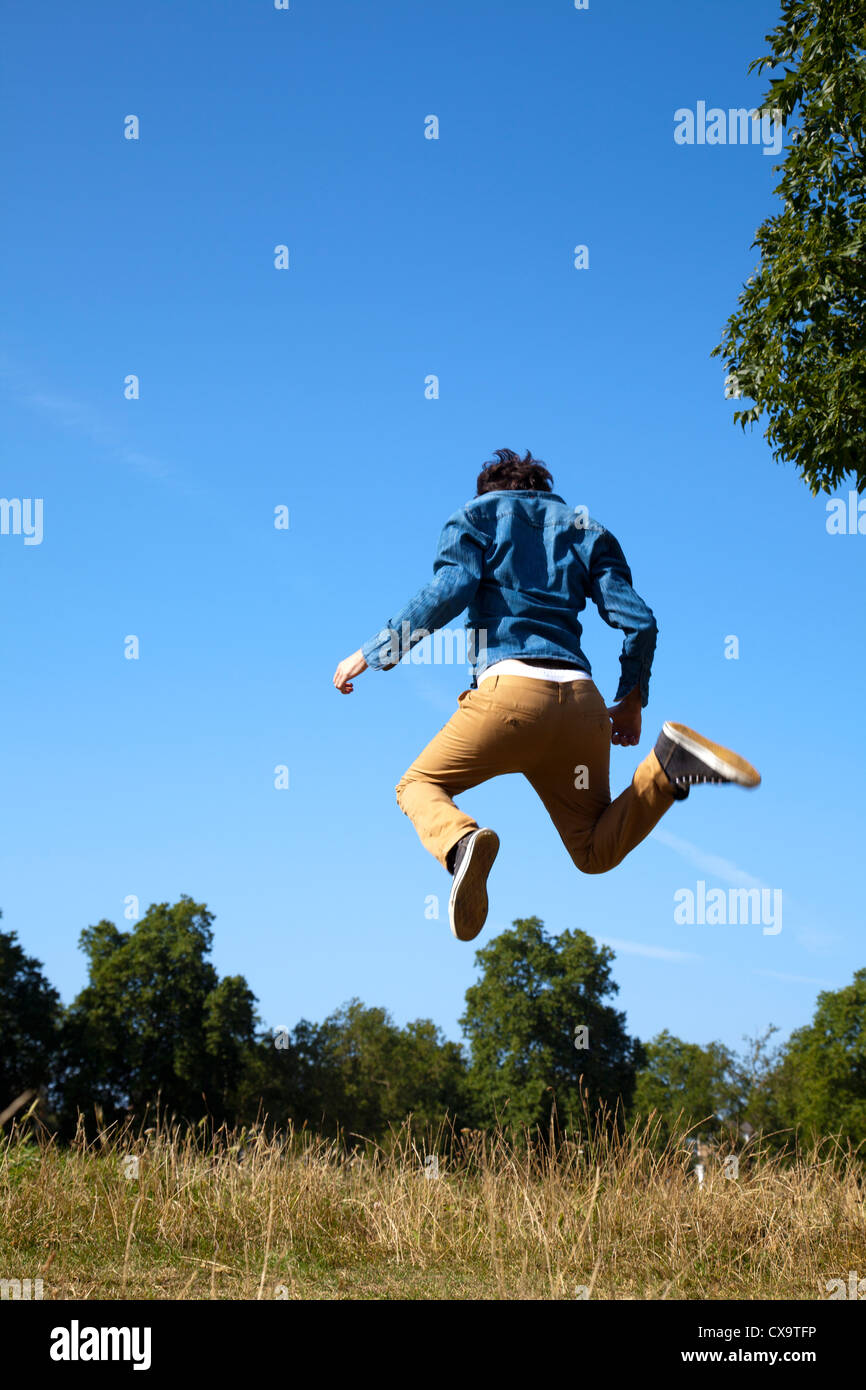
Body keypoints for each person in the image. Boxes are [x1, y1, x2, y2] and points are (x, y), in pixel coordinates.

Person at [333, 448, 760, 943]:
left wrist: (373, 652)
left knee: (416, 786)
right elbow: (640, 622)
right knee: (594, 851)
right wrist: (633, 698)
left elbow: (452, 587)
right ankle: (665, 769)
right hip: (582, 708)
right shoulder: (587, 530)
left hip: (507, 700)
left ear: (489, 492)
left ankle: (460, 842)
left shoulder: (476, 517)